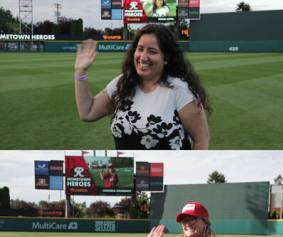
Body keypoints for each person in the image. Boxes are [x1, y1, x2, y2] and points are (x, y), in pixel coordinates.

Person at [74, 24, 209, 150]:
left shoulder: (179, 89)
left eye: (152, 51)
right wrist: (81, 71)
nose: (143, 57)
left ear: (166, 57)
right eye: (140, 49)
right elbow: (88, 112)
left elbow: (201, 139)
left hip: (169, 173)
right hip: (128, 172)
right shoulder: (122, 83)